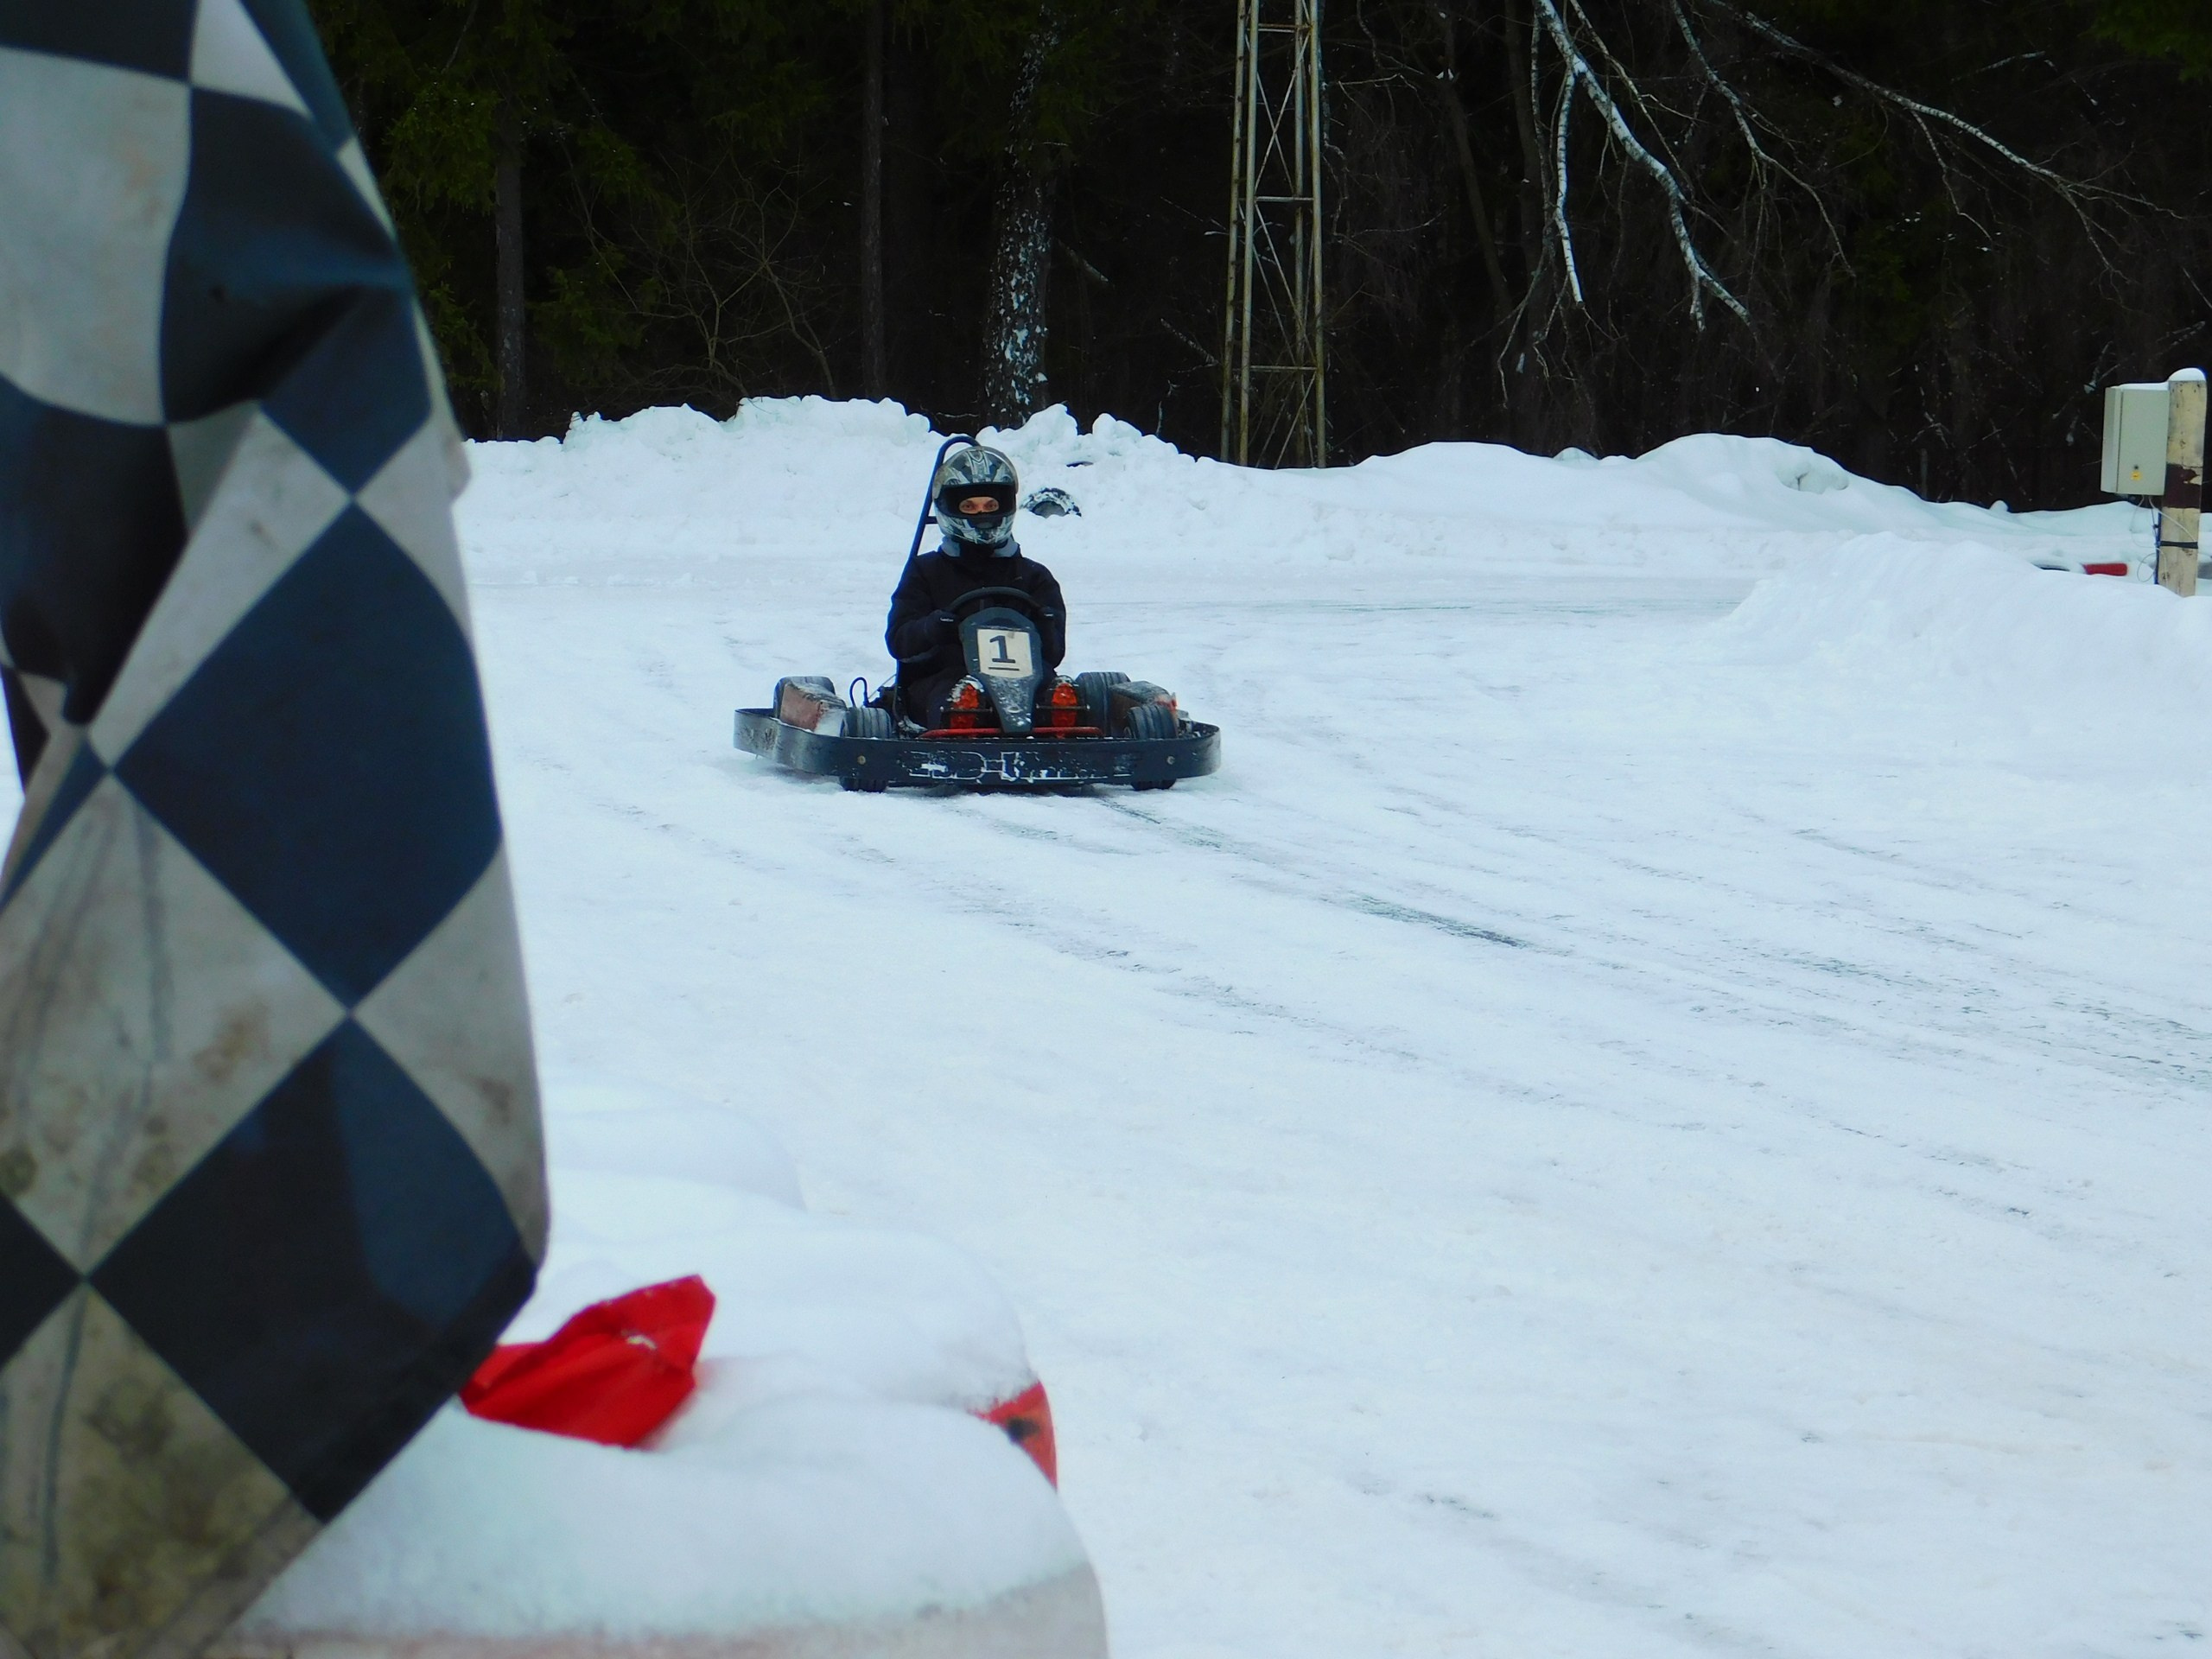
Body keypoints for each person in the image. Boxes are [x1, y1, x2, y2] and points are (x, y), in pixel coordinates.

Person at [885, 445, 1066, 726]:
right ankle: (963, 720)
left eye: (990, 506)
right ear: (949, 509)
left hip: (1026, 680)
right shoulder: (925, 571)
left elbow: (1054, 655)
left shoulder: (1034, 576)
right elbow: (899, 641)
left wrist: (1044, 625)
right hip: (946, 675)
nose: (981, 513)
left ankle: (1064, 731)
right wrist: (932, 628)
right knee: (950, 697)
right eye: (969, 506)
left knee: (1055, 694)